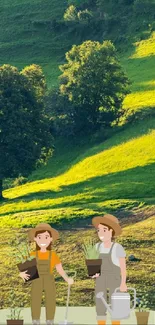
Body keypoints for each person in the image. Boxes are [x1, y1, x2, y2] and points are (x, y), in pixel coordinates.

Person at [19, 223, 74, 325]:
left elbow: (59, 269)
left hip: (49, 279)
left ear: (50, 239)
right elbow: (25, 268)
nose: (43, 240)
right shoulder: (32, 254)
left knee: (51, 299)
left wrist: (67, 279)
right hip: (36, 280)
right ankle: (35, 321)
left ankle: (50, 321)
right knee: (35, 299)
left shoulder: (53, 254)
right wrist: (21, 274)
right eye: (40, 237)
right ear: (35, 239)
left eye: (46, 237)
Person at [92, 214, 127, 325]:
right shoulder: (97, 247)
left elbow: (123, 268)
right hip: (100, 279)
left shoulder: (117, 248)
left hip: (114, 278)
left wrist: (123, 283)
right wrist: (94, 273)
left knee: (115, 303)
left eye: (104, 230)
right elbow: (94, 265)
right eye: (99, 230)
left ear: (111, 231)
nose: (101, 233)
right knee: (100, 303)